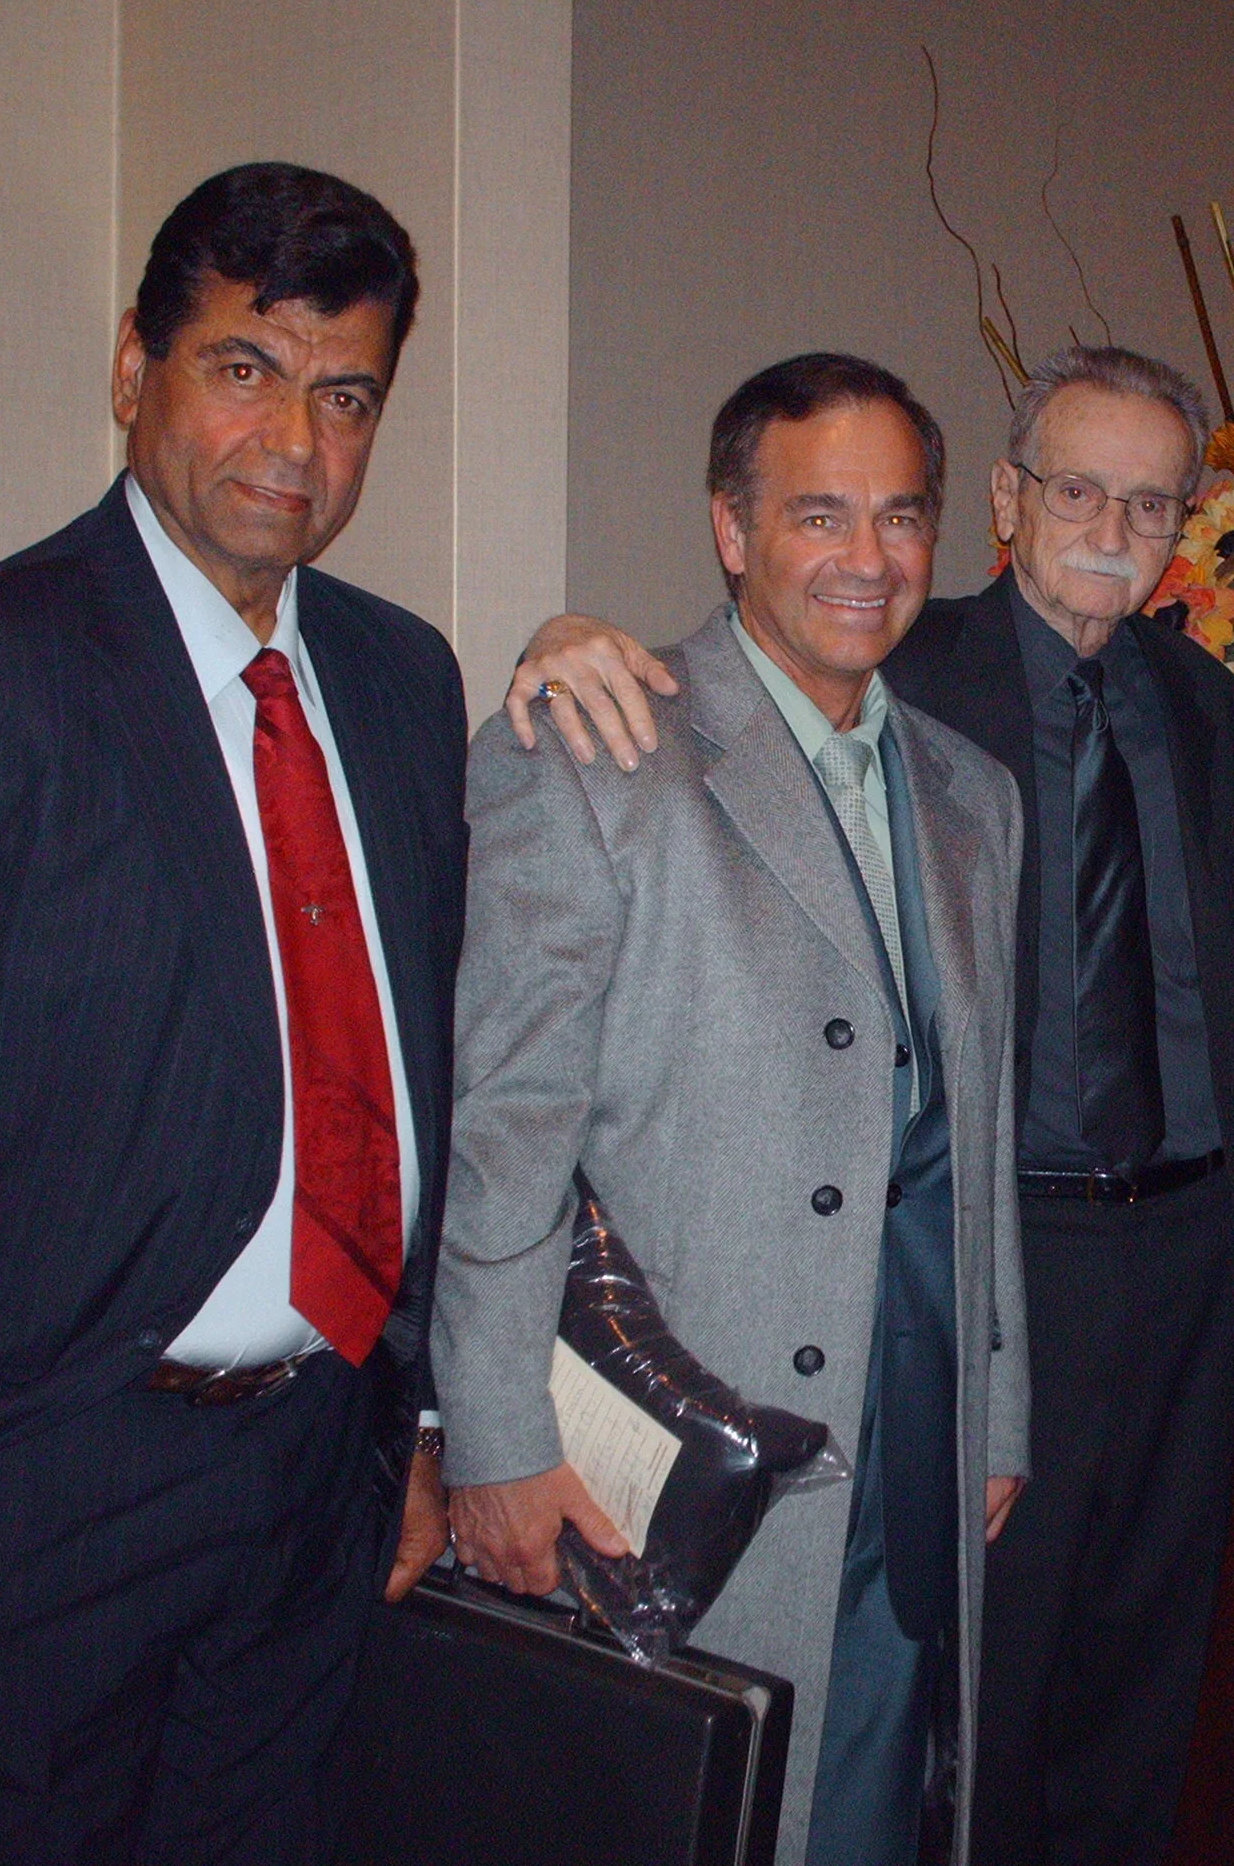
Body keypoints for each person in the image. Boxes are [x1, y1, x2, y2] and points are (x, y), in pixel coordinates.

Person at [0, 161, 462, 1859]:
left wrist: (400, 1422)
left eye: (347, 393)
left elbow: (419, 1076)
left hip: (306, 1503)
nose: (295, 438)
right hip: (16, 1518)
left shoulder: (406, 682)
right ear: (135, 372)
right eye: (242, 365)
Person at [503, 345, 1234, 1866]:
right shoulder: (903, 662)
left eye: (1153, 498)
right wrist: (562, 641)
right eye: (1077, 486)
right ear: (1003, 498)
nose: (1114, 523)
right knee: (984, 1696)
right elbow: (717, 694)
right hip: (991, 1258)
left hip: (1184, 1256)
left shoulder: (1213, 697)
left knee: (1147, 1673)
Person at [436, 352, 1028, 1866]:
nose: (869, 558)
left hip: (911, 1442)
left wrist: (997, 1399)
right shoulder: (591, 749)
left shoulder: (973, 796)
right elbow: (506, 1130)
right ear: (730, 528)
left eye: (902, 517)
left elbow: (980, 1132)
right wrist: (493, 1441)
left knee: (874, 1809)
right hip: (671, 1459)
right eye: (818, 514)